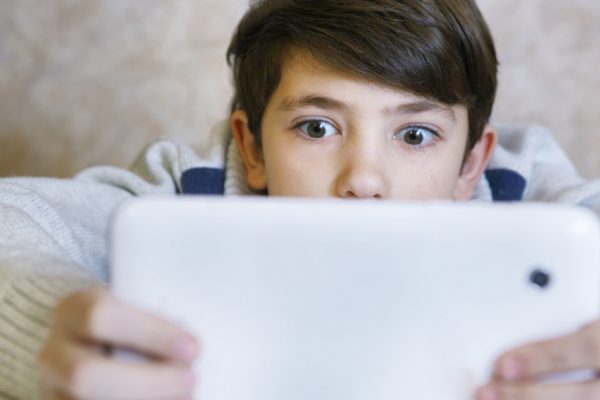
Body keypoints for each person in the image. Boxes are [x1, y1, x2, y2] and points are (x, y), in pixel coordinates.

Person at [0, 0, 599, 399]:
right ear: (252, 148)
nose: (364, 180)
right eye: (317, 127)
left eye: (415, 135)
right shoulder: (188, 190)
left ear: (472, 163)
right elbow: (16, 221)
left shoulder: (533, 197)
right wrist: (48, 322)